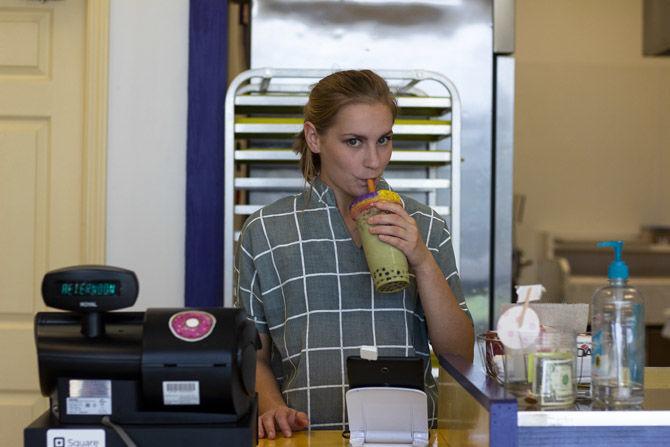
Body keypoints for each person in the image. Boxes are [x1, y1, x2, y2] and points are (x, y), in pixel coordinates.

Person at [234, 69, 474, 439]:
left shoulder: (424, 224)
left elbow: (460, 354)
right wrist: (272, 408)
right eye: (354, 142)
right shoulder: (266, 230)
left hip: (408, 438)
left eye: (384, 140)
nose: (374, 160)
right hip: (307, 436)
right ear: (314, 138)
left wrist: (422, 260)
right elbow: (254, 357)